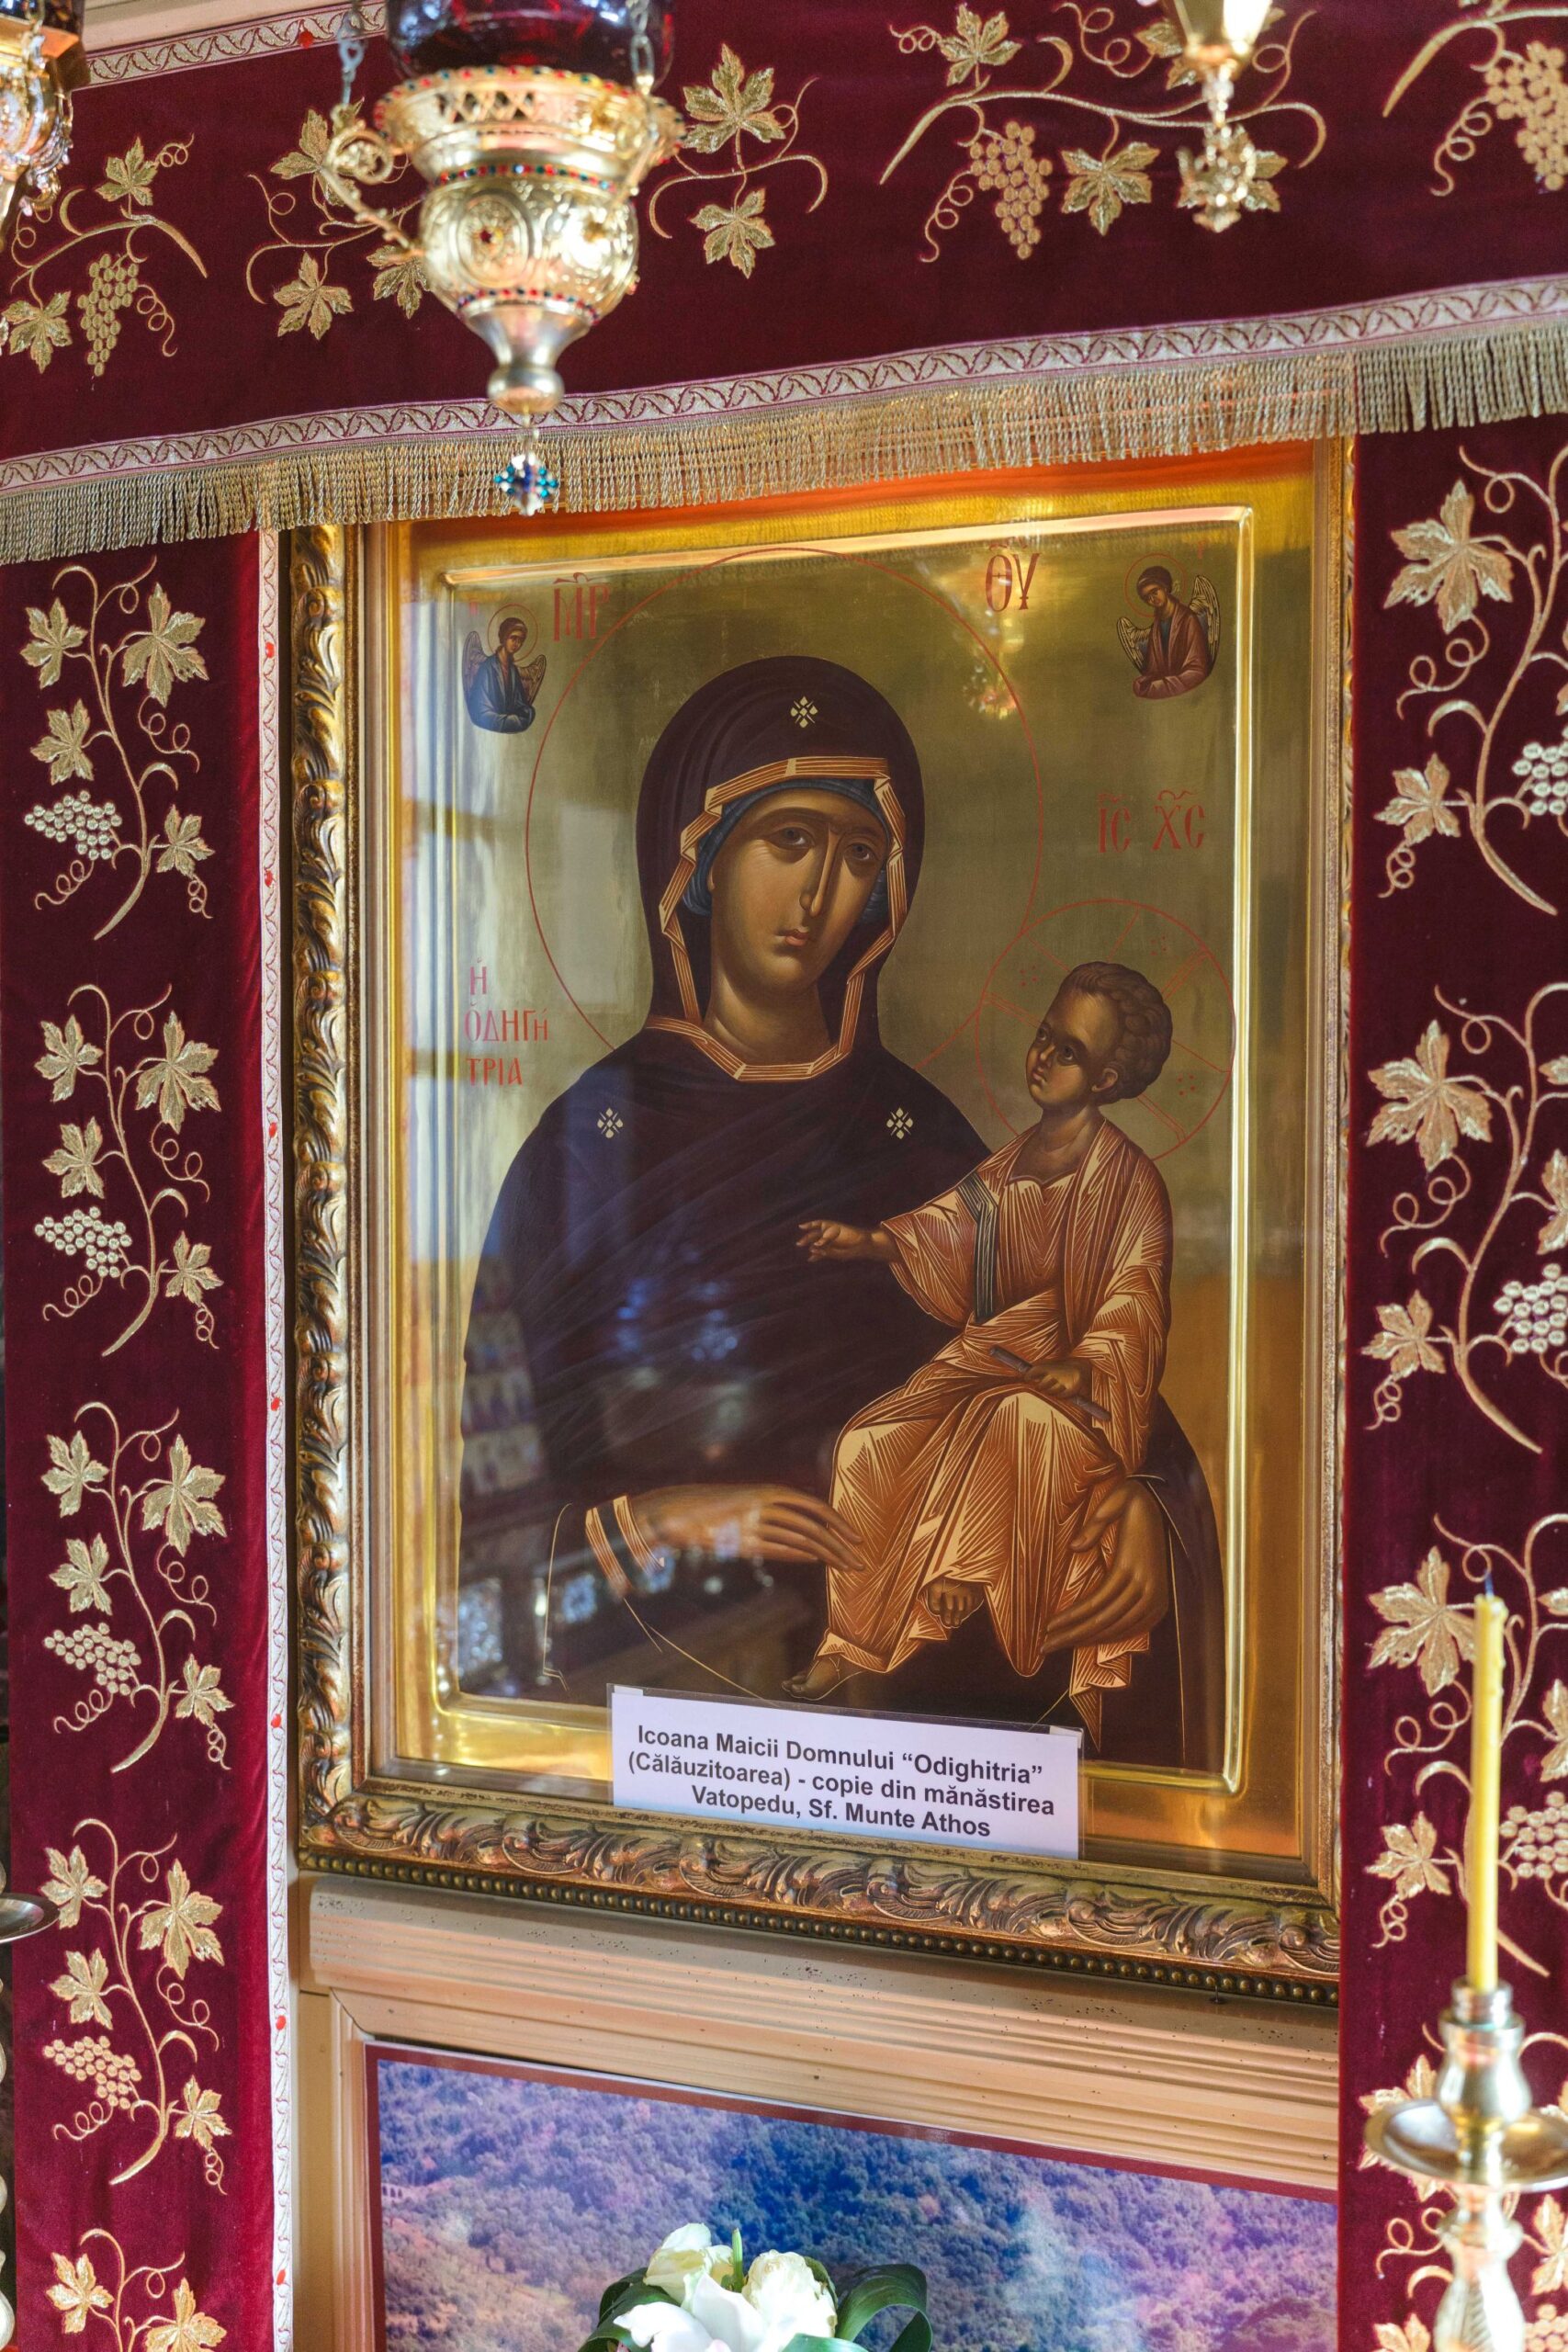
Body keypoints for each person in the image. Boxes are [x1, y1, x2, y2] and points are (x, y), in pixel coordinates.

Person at [458, 659, 1220, 1762]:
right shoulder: (588, 1146)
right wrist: (653, 1524)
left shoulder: (918, 1135)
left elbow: (1070, 1343)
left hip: (928, 1750)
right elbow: (490, 1489)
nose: (820, 894)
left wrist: (1142, 1504)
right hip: (662, 1708)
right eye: (789, 840)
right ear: (699, 858)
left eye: (859, 854)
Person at [792, 964, 1179, 1748]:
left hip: (1080, 1399)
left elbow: (1135, 1298)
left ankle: (966, 1578)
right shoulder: (1011, 1163)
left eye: (1068, 1051)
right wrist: (870, 1242)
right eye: (1043, 1036)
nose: (1042, 1057)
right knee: (870, 1441)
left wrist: (1085, 1362)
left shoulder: (1128, 1182)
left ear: (1106, 1079)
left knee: (1015, 1420)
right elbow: (948, 1232)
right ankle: (852, 1640)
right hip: (989, 1357)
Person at [1130, 566, 1213, 701]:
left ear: (1165, 587)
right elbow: (1154, 671)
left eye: (1154, 592)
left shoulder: (1188, 619)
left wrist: (1162, 685)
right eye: (1147, 597)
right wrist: (1145, 680)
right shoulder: (1155, 629)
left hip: (1190, 697)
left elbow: (1197, 670)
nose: (1152, 599)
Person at [464, 615, 546, 733]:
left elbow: (519, 703)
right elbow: (479, 709)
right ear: (504, 637)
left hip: (506, 722)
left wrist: (527, 712)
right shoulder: (487, 667)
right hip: (488, 723)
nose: (516, 644)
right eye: (513, 638)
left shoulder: (513, 671)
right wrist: (513, 720)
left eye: (520, 641)